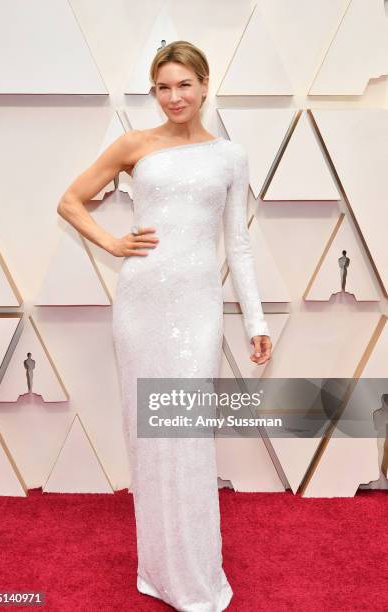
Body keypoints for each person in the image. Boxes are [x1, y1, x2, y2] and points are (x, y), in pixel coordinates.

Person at [57, 40, 272, 612]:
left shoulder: (229, 155)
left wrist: (256, 319)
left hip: (197, 310)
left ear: (204, 85)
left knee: (188, 436)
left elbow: (240, 246)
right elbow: (71, 201)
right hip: (142, 304)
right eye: (162, 87)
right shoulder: (134, 145)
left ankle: (196, 574)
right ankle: (158, 569)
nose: (174, 97)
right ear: (153, 92)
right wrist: (113, 241)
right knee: (149, 438)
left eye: (184, 84)